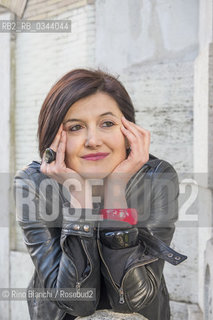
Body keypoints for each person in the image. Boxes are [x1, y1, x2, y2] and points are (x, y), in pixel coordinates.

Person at [14, 68, 187, 320]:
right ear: (53, 139)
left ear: (129, 133)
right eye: (75, 127)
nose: (93, 140)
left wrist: (115, 192)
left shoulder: (156, 177)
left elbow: (131, 300)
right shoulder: (34, 184)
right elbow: (75, 303)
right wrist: (80, 204)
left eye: (107, 123)